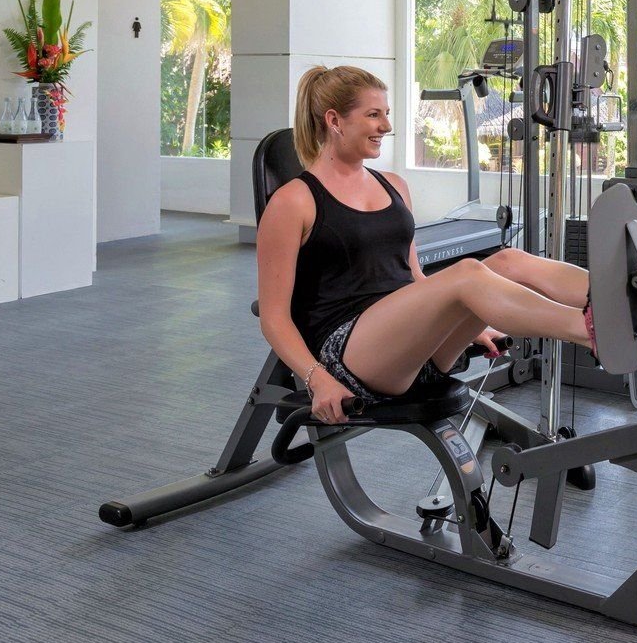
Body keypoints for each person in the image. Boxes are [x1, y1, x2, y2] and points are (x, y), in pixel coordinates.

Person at [256, 65, 597, 426]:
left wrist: (471, 318)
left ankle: (612, 298)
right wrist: (318, 379)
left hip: (418, 352)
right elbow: (274, 319)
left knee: (508, 261)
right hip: (350, 359)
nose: (386, 126)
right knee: (467, 273)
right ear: (334, 120)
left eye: (386, 114)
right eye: (373, 115)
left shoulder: (393, 185)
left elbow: (414, 275)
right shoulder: (293, 201)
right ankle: (590, 331)